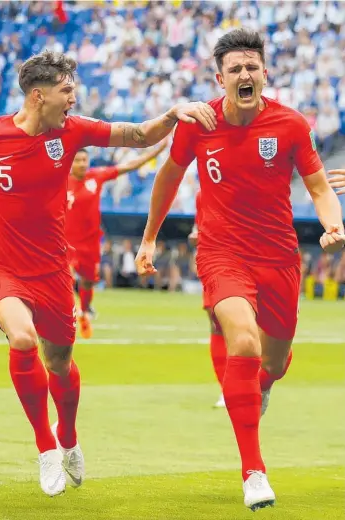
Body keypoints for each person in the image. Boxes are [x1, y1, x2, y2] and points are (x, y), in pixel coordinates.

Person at [0, 50, 217, 497]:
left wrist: (173, 114)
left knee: (60, 364)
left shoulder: (72, 131)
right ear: (39, 96)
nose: (74, 97)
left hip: (53, 274)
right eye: (67, 90)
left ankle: (69, 437)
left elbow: (138, 135)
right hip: (2, 269)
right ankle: (46, 449)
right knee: (23, 340)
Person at [135, 29, 345, 511]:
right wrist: (149, 237)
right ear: (220, 78)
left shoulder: (291, 125)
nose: (245, 74)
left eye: (252, 66)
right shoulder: (198, 123)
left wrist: (333, 224)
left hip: (279, 258)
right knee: (243, 343)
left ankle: (263, 385)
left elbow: (317, 187)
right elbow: (168, 177)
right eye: (236, 69)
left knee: (272, 362)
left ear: (265, 73)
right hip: (221, 252)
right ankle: (253, 470)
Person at [66, 142, 166, 338]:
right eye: (77, 160)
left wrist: (154, 152)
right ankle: (69, 315)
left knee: (87, 282)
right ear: (70, 163)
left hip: (90, 242)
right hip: (66, 242)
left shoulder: (96, 176)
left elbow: (128, 167)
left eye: (84, 160)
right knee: (65, 278)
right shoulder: (60, 182)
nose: (81, 164)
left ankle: (85, 310)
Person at [188, 189, 226, 409]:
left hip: (247, 259)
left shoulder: (246, 186)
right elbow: (197, 228)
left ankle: (256, 383)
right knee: (217, 322)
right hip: (214, 262)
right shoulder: (202, 194)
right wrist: (196, 236)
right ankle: (227, 389)